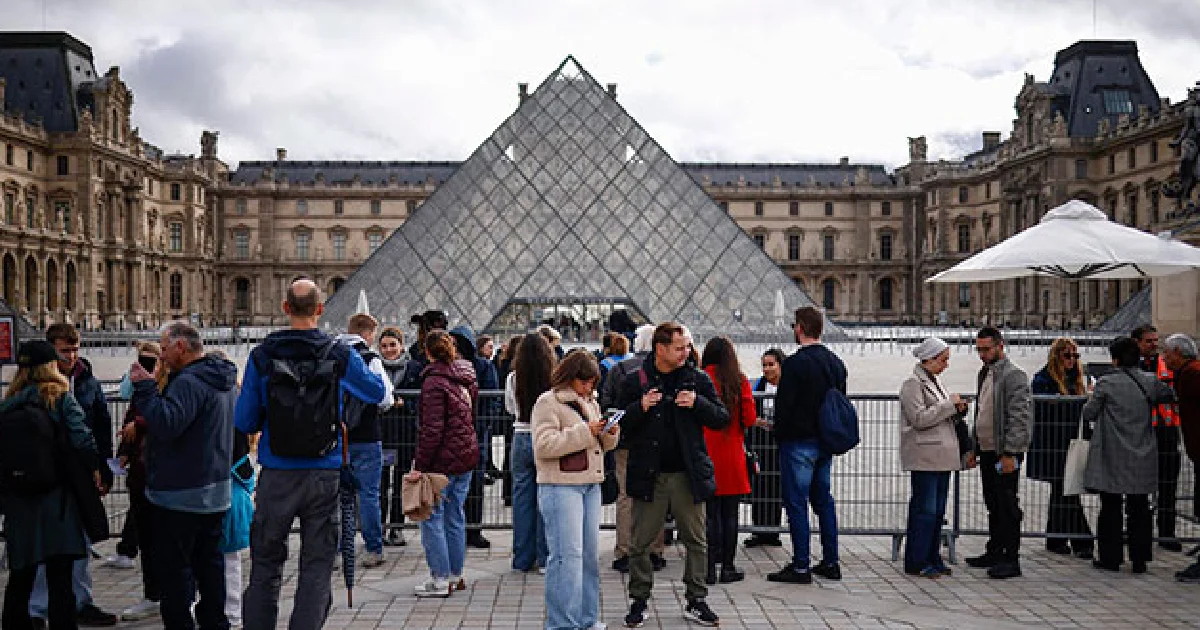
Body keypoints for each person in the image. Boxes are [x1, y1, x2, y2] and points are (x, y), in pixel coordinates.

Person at [235, 279, 387, 630]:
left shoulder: (262, 355)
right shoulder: (338, 354)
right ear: (320, 309)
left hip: (276, 473)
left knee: (265, 565)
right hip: (324, 472)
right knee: (317, 566)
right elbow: (377, 391)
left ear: (285, 308)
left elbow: (244, 420)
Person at [615, 322, 729, 628]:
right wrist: (639, 407)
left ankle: (696, 598)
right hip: (649, 474)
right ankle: (639, 600)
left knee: (696, 540)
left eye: (688, 346)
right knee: (640, 543)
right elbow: (618, 423)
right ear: (660, 348)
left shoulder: (697, 379)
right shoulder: (635, 380)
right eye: (680, 347)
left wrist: (698, 403)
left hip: (686, 475)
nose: (686, 352)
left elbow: (721, 417)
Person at [128, 321, 237, 630]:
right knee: (210, 569)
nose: (161, 356)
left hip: (180, 493)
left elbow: (167, 424)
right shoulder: (223, 378)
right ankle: (215, 624)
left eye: (164, 349)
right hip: (215, 489)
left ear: (180, 346)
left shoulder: (189, 382)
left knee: (174, 574)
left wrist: (145, 388)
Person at [0, 340, 100, 630]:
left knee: (20, 576)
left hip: (19, 501)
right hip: (58, 499)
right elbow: (83, 440)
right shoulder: (60, 398)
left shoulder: (8, 404)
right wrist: (94, 468)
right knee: (60, 578)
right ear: (51, 366)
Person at [31, 324, 118, 627]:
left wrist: (104, 468)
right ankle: (37, 608)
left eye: (75, 349)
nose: (71, 356)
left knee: (81, 541)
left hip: (81, 473)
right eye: (64, 350)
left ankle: (81, 601)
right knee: (46, 543)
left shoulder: (88, 381)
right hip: (48, 474)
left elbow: (102, 426)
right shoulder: (38, 386)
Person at [531, 351, 619, 630]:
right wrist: (586, 431)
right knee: (565, 557)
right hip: (560, 486)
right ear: (570, 378)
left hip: (589, 484)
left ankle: (586, 618)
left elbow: (598, 445)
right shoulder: (548, 402)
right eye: (584, 382)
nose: (588, 388)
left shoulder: (590, 402)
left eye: (592, 383)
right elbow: (543, 445)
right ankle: (562, 623)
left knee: (588, 557)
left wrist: (609, 434)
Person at [767, 307, 847, 585]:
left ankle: (801, 566)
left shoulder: (795, 364)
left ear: (800, 328)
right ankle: (831, 562)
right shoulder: (836, 363)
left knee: (796, 504)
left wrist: (779, 435)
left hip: (799, 442)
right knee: (824, 502)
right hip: (825, 442)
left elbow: (784, 406)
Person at [1083, 336, 1175, 574]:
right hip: (1142, 452)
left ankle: (1111, 558)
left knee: (1110, 507)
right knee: (1139, 508)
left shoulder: (1106, 383)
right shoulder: (1150, 381)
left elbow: (1089, 413)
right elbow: (1169, 395)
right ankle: (1140, 558)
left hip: (1112, 454)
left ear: (1115, 360)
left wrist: (1091, 395)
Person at [407, 330, 480, 597]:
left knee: (432, 518)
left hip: (441, 460)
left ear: (426, 351)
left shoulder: (433, 382)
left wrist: (419, 465)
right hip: (465, 454)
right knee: (455, 516)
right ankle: (455, 575)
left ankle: (439, 579)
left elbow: (432, 430)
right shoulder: (465, 375)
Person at [964, 327, 1032, 580]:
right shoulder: (985, 373)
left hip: (1004, 451)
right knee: (993, 502)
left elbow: (1019, 417)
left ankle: (1011, 558)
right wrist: (974, 447)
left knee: (1007, 504)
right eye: (979, 350)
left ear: (1000, 346)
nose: (982, 354)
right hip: (987, 450)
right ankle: (994, 550)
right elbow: (981, 412)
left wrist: (1011, 452)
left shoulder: (1014, 376)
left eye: (986, 349)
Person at [899, 337, 968, 578]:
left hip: (941, 457)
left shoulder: (935, 382)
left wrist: (957, 410)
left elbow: (938, 415)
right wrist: (949, 405)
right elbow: (919, 418)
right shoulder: (912, 384)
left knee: (937, 511)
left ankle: (932, 556)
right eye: (943, 360)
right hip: (925, 457)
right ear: (928, 359)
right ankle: (917, 560)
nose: (946, 365)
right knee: (924, 510)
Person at [601, 324, 666, 574]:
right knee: (655, 496)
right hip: (655, 443)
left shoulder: (620, 369)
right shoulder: (663, 370)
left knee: (626, 497)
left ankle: (625, 551)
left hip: (626, 442)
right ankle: (654, 551)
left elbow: (608, 402)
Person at [113, 341, 169, 622]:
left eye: (153, 360)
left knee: (168, 539)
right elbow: (131, 416)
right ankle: (153, 595)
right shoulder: (142, 389)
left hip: (167, 474)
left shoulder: (176, 385)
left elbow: (172, 416)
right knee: (146, 537)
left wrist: (140, 425)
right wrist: (123, 451)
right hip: (141, 471)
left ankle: (171, 594)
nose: (148, 366)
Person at [335, 313, 396, 568]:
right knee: (369, 495)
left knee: (339, 497)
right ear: (367, 334)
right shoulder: (370, 360)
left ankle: (337, 550)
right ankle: (373, 548)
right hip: (367, 434)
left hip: (336, 435)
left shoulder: (330, 356)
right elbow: (385, 398)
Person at [1028, 337, 1094, 559]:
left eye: (1075, 356)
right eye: (1067, 355)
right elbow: (1043, 411)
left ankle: (1056, 539)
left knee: (1062, 492)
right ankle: (1081, 540)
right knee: (1066, 492)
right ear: (1056, 356)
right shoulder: (1043, 379)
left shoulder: (1076, 380)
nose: (1072, 360)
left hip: (1071, 442)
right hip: (1052, 444)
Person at [699, 337, 756, 585]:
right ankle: (728, 567)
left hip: (705, 452)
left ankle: (709, 568)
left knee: (709, 515)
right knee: (730, 514)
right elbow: (749, 418)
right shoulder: (739, 381)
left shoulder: (700, 379)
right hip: (732, 453)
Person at [1132, 325, 1184, 551]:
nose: (1154, 345)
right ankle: (1136, 529)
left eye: (1156, 340)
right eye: (1149, 341)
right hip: (1140, 431)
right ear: (1136, 343)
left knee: (1168, 484)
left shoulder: (1166, 364)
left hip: (1166, 430)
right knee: (1137, 485)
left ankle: (1166, 531)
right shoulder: (1130, 366)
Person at [450, 325, 500, 548]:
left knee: (475, 483)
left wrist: (483, 424)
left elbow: (493, 399)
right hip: (458, 433)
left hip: (476, 432)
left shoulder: (483, 367)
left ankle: (473, 529)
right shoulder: (449, 366)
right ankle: (459, 529)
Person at [506, 334, 552, 573]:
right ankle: (545, 557)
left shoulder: (513, 378)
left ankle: (522, 558)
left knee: (522, 500)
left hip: (521, 435)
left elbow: (509, 408)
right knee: (546, 498)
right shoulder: (553, 377)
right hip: (544, 436)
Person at [1161, 334, 1200, 582]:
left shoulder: (1192, 374)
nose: (1164, 359)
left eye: (1166, 353)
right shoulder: (1189, 372)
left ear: (1178, 352)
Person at [746, 348, 786, 548]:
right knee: (759, 488)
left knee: (775, 488)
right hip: (760, 443)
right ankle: (758, 530)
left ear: (780, 365)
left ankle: (773, 531)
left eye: (771, 364)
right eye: (764, 365)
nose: (767, 369)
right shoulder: (758, 386)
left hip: (779, 443)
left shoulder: (787, 386)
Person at [376, 326, 411, 547]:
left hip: (405, 435)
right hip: (383, 435)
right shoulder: (374, 367)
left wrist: (406, 403)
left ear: (401, 346)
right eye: (384, 346)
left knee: (400, 483)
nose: (388, 350)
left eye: (392, 345)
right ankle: (379, 526)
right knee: (380, 483)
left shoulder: (412, 368)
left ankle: (397, 526)